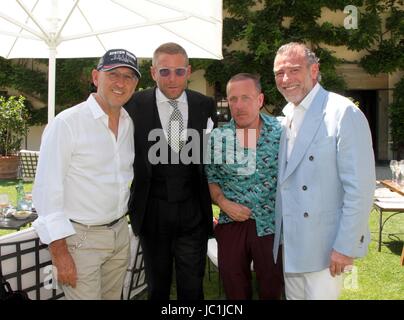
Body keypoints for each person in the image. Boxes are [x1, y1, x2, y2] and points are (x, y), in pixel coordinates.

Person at [32, 49, 140, 299]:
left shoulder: (128, 123)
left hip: (119, 233)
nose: (121, 82)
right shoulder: (67, 123)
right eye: (113, 74)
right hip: (80, 240)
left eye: (129, 76)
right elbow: (47, 193)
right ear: (95, 77)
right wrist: (60, 253)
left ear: (135, 84)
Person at [272, 42, 376, 300]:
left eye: (294, 70)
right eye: (279, 73)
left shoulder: (343, 113)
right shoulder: (288, 115)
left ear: (314, 71)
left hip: (325, 248)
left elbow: (361, 189)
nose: (286, 79)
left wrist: (345, 246)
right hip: (292, 245)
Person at [124, 42, 216, 300]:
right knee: (157, 287)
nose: (172, 78)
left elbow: (210, 156)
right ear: (153, 73)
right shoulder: (132, 105)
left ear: (188, 71)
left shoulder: (204, 105)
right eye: (165, 71)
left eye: (178, 71)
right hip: (151, 210)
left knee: (192, 288)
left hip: (192, 211)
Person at [205, 73, 284, 300]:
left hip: (270, 225)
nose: (238, 106)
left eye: (246, 98)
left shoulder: (281, 133)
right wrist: (223, 203)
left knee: (272, 287)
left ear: (259, 100)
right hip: (232, 225)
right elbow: (212, 179)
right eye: (233, 99)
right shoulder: (218, 138)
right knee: (235, 289)